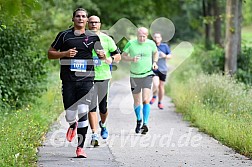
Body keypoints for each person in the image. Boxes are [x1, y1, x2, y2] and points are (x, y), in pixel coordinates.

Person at [47, 8, 105, 158]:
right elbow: (50, 53)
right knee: (70, 115)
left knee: (83, 110)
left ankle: (80, 148)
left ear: (87, 20)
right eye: (78, 16)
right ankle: (73, 124)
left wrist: (102, 54)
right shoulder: (64, 36)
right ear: (73, 19)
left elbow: (101, 54)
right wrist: (64, 54)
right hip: (68, 80)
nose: (80, 18)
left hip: (87, 79)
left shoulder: (93, 37)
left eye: (83, 16)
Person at [87, 15, 121, 146]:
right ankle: (94, 134)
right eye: (91, 22)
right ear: (87, 24)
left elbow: (118, 55)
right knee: (91, 106)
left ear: (100, 24)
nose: (94, 24)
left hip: (103, 77)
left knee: (103, 107)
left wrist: (108, 58)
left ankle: (103, 124)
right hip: (88, 77)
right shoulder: (83, 39)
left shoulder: (107, 39)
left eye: (96, 22)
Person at [121, 27, 158, 134]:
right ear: (137, 35)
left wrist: (154, 62)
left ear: (147, 36)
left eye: (144, 36)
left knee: (146, 99)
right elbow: (123, 57)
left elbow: (155, 53)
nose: (142, 38)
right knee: (137, 101)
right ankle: (139, 120)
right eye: (140, 36)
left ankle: (145, 124)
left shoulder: (151, 43)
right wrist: (132, 59)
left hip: (147, 74)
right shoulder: (131, 44)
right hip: (134, 76)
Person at [149, 32, 172, 109]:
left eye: (158, 37)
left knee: (161, 86)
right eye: (155, 37)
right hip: (154, 69)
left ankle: (160, 102)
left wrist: (165, 56)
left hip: (163, 69)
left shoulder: (165, 46)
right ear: (153, 38)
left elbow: (170, 56)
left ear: (161, 38)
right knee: (156, 84)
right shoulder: (151, 46)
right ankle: (154, 96)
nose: (157, 39)